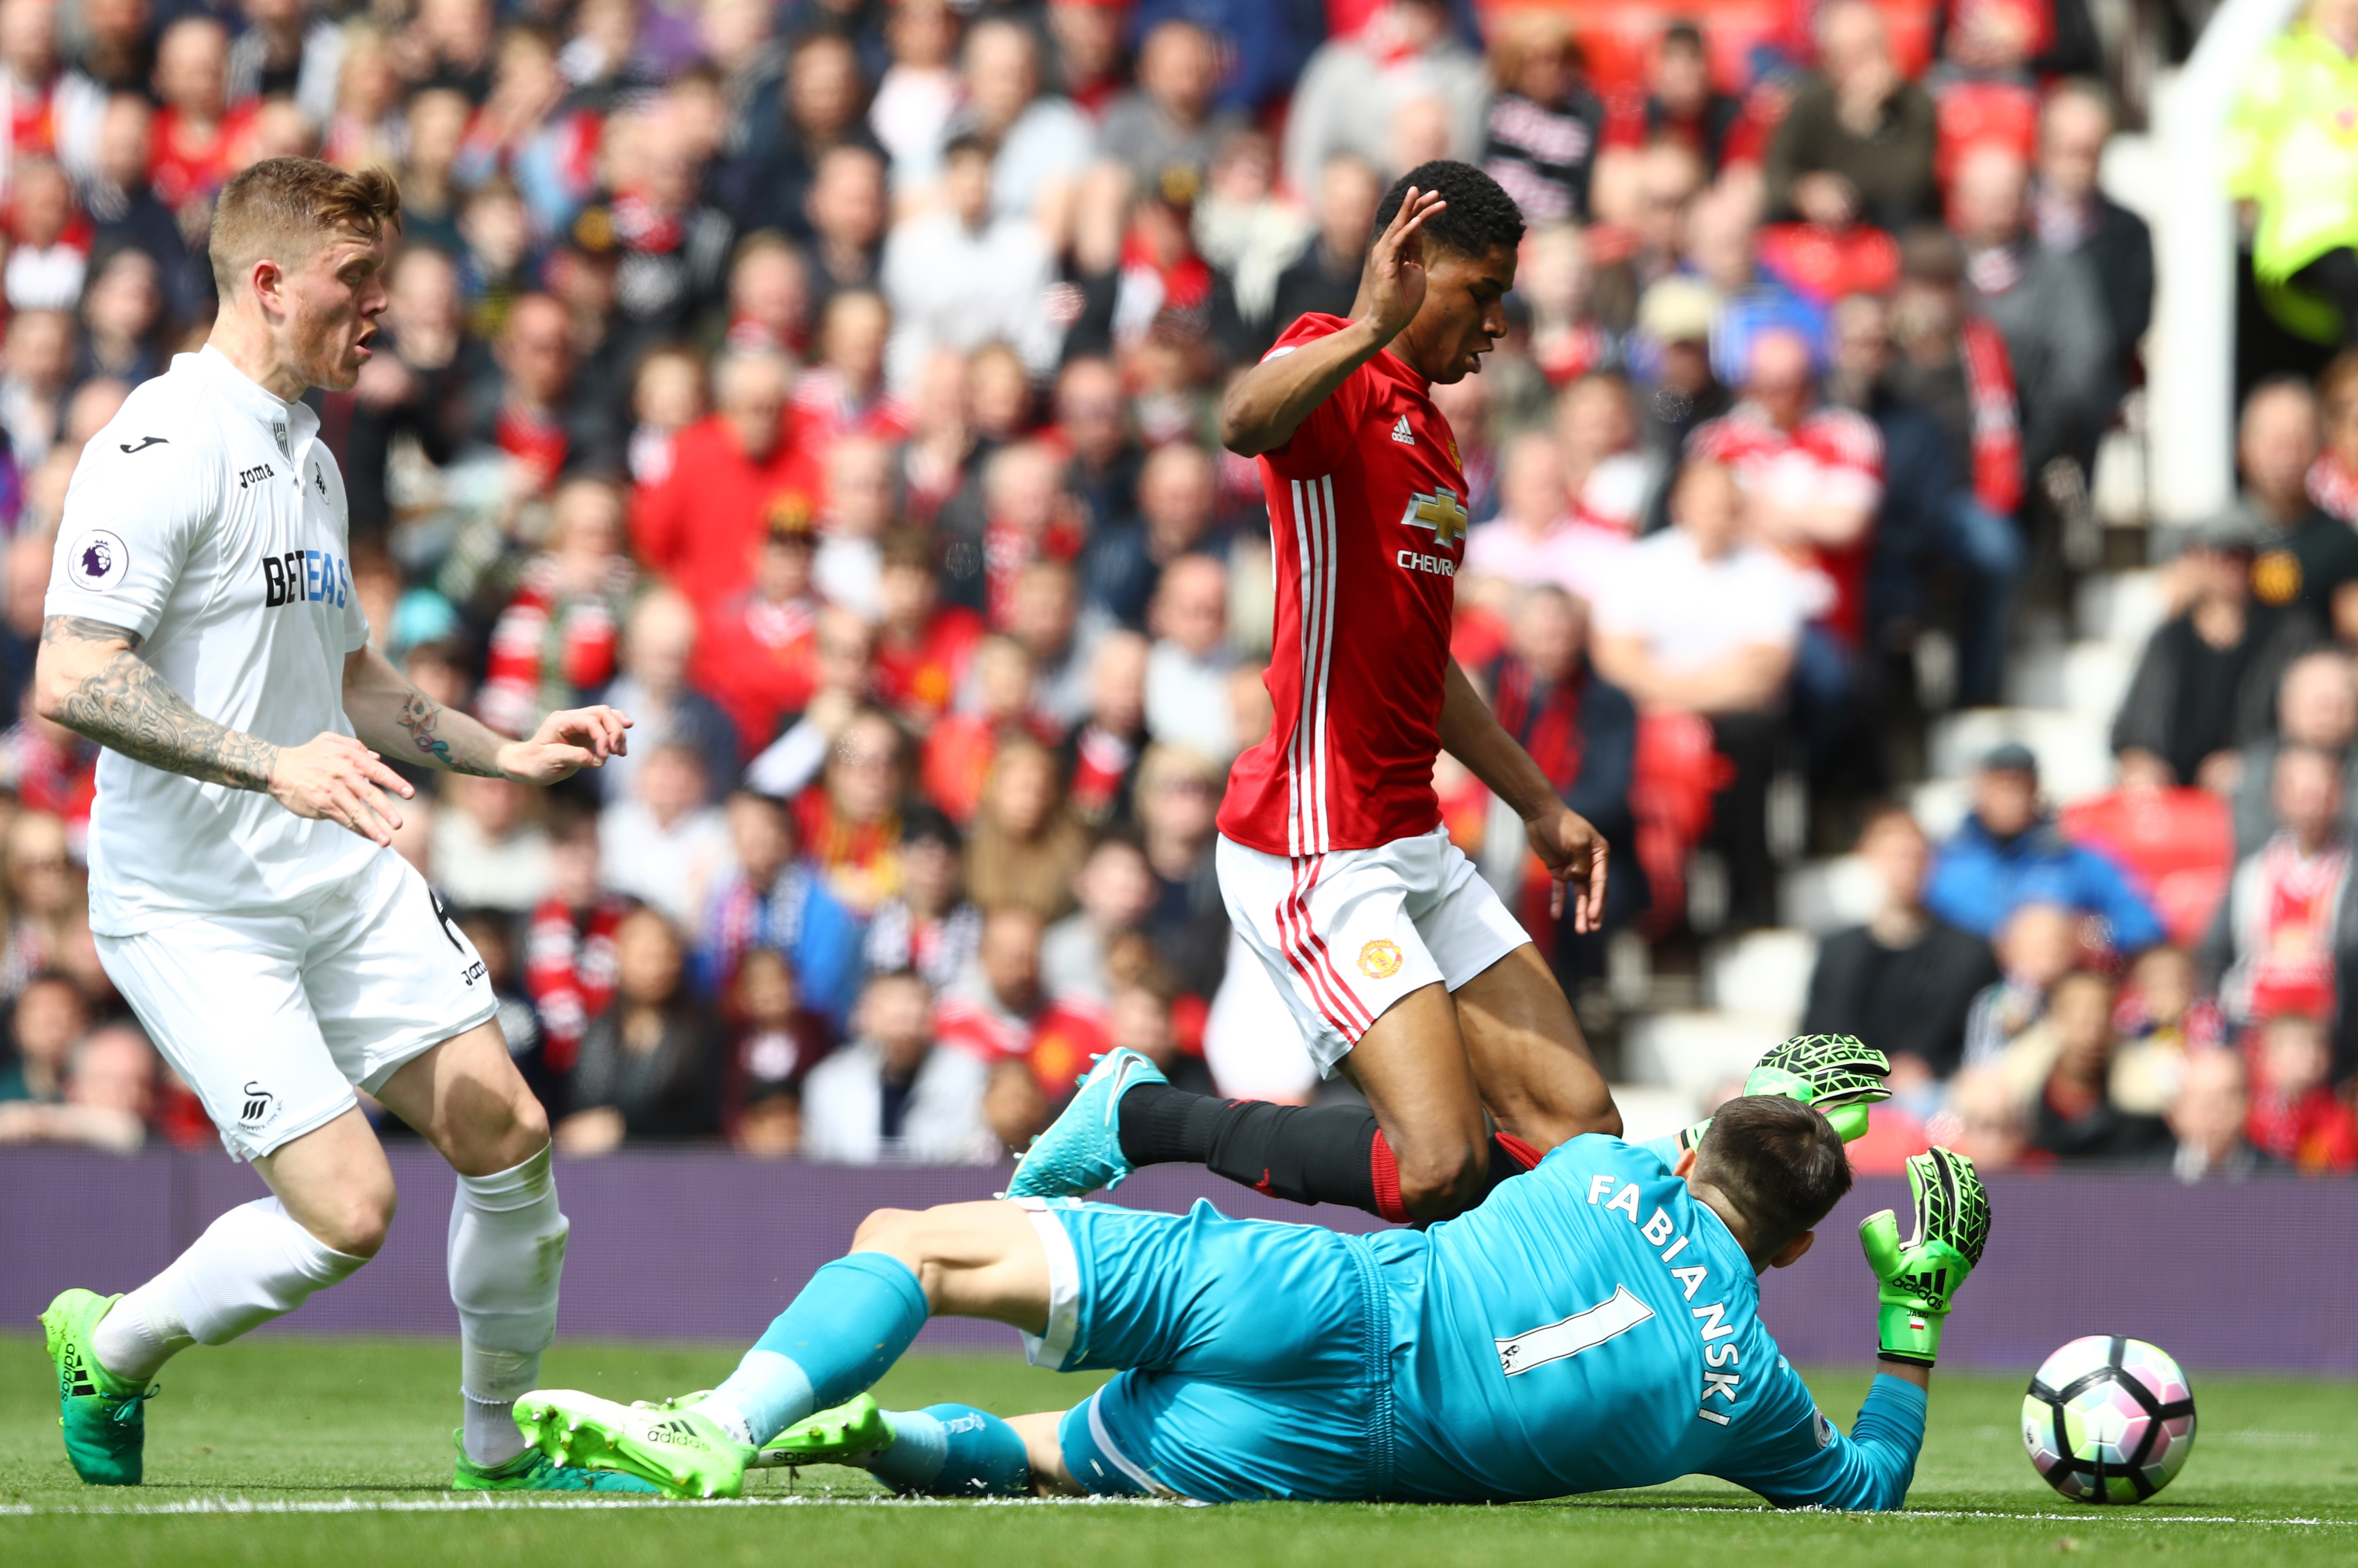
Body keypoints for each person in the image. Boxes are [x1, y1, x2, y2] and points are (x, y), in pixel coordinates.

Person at [29, 158, 644, 1492]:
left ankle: (505, 1450)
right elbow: (72, 676)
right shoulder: (157, 445)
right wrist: (270, 768)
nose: (384, 311)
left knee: (509, 1135)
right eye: (358, 283)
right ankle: (114, 1348)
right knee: (351, 1212)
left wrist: (504, 752)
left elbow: (355, 680)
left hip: (332, 861)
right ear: (268, 283)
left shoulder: (308, 450)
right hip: (192, 900)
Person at [1009, 161, 1617, 1227]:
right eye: (1481, 294)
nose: (1497, 326)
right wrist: (1368, 327)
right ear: (1412, 268)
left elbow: (1420, 662)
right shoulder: (1330, 367)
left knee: (1586, 1140)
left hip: (1412, 838)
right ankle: (1142, 1119)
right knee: (1439, 1165)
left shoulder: (1431, 436)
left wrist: (1537, 802)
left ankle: (1469, 1347)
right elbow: (1240, 423)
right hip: (1313, 845)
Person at [516, 1098, 1987, 1515]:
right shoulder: (1756, 1398)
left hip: (1314, 1302)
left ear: (1686, 1157)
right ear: (1795, 1257)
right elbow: (1866, 1491)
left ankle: (728, 1420)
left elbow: (1532, 1142)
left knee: (913, 1241)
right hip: (1344, 1462)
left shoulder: (1610, 1162)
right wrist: (1911, 1318)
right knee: (1044, 1458)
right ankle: (881, 1438)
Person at [1802, 806, 2000, 1084]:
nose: (1907, 866)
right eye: (1895, 855)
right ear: (1868, 857)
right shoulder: (1837, 951)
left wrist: (1932, 1069)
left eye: (1915, 855)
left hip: (1934, 1097)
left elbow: (1981, 1045)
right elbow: (1814, 1039)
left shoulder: (1971, 954)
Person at [1923, 742, 2165, 950]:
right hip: (1965, 986)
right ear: (1978, 789)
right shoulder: (1945, 861)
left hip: (2056, 993)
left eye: (2021, 785)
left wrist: (2089, 935)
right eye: (2001, 785)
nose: (2011, 797)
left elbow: (2144, 923)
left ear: (2037, 790)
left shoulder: (2073, 856)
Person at [799, 968, 995, 1166]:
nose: (905, 1032)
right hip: (853, 1193)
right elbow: (821, 1169)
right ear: (867, 1018)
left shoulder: (971, 1076)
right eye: (895, 1019)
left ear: (931, 1017)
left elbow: (974, 1160)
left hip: (943, 1194)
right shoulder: (828, 1084)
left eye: (915, 1018)